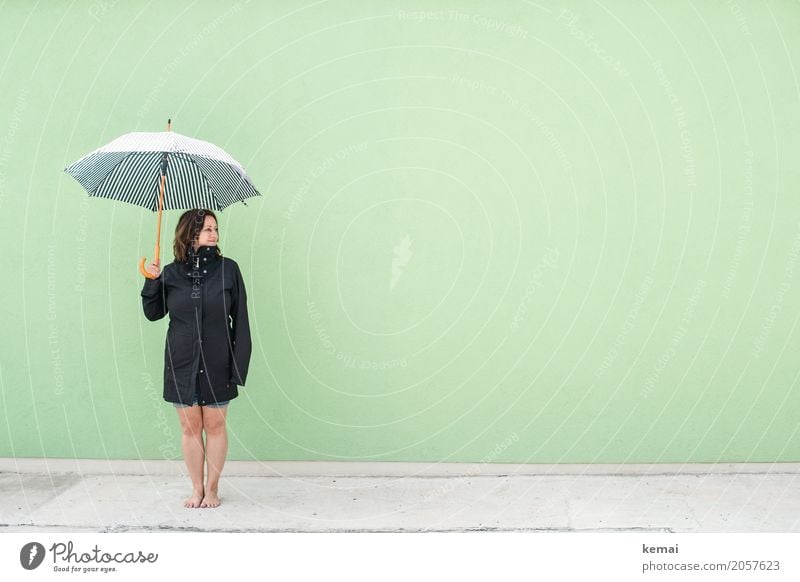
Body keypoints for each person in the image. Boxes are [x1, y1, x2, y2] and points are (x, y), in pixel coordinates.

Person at [141, 208, 252, 508]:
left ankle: (213, 489)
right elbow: (153, 314)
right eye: (207, 229)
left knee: (215, 425)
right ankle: (196, 488)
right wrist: (152, 282)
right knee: (190, 428)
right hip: (182, 361)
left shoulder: (229, 270)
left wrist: (238, 367)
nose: (214, 234)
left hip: (218, 360)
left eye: (215, 229)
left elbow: (240, 320)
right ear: (190, 235)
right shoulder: (172, 273)